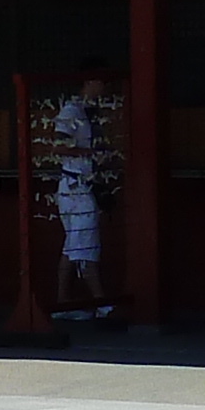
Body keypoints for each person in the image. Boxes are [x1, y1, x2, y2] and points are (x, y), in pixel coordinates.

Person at [51, 60, 120, 327]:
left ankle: (63, 302)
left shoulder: (90, 111)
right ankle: (100, 303)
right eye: (99, 82)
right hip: (76, 186)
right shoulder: (72, 110)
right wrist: (92, 154)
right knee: (86, 245)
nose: (102, 87)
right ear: (88, 82)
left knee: (73, 246)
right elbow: (58, 146)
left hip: (79, 184)